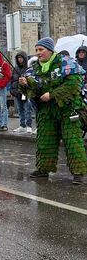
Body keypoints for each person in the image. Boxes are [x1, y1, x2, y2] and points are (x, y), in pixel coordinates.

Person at [19, 37, 87, 184]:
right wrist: (25, 84)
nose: (38, 53)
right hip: (46, 111)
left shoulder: (66, 63)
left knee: (72, 142)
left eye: (41, 49)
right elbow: (33, 90)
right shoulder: (34, 68)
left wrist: (52, 94)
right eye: (36, 50)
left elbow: (73, 85)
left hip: (68, 110)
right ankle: (43, 170)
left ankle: (78, 174)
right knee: (45, 141)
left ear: (50, 50)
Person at [10, 51, 34, 134]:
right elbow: (12, 80)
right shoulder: (15, 68)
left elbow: (31, 80)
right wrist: (12, 91)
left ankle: (29, 126)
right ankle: (22, 125)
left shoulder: (28, 68)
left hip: (25, 92)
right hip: (17, 92)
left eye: (21, 58)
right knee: (20, 110)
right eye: (18, 58)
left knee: (27, 109)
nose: (20, 59)